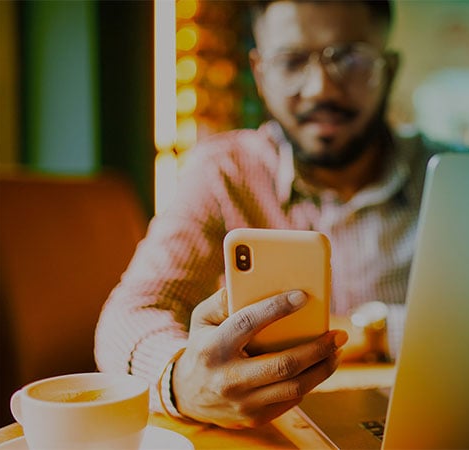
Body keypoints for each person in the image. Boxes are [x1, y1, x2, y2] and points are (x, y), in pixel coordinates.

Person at [95, 0, 443, 429]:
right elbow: (130, 313)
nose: (320, 88)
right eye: (291, 60)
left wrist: (368, 329)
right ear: (261, 74)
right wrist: (182, 381)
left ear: (387, 71)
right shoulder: (224, 171)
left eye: (350, 57)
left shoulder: (462, 179)